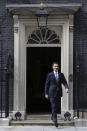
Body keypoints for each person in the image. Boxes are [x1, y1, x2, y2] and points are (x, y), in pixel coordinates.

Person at [45, 62, 69, 127]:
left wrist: (66, 88)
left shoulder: (61, 74)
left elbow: (64, 82)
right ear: (52, 67)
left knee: (57, 106)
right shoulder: (49, 75)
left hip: (58, 92)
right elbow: (47, 84)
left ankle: (53, 116)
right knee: (53, 105)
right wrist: (46, 93)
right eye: (55, 66)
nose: (56, 67)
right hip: (51, 93)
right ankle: (55, 120)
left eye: (57, 66)